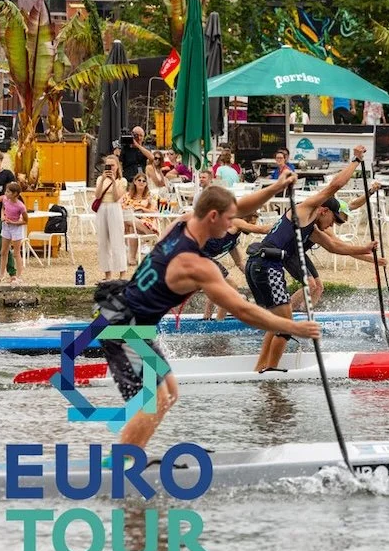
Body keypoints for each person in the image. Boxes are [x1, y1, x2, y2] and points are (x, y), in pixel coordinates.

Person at [96, 180, 321, 458]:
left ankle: (132, 453)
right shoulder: (196, 266)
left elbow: (240, 205)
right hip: (122, 326)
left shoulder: (184, 223)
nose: (232, 226)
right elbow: (243, 310)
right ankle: (122, 462)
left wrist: (277, 187)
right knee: (154, 398)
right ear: (213, 217)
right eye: (229, 220)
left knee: (169, 392)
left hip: (131, 322)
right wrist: (292, 326)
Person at [246, 146, 364, 373]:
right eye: (334, 221)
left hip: (259, 264)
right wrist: (356, 160)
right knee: (286, 325)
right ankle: (270, 372)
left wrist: (366, 250)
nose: (332, 227)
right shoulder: (307, 208)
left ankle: (260, 369)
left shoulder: (311, 228)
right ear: (323, 210)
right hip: (267, 265)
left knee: (277, 321)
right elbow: (336, 185)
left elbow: (335, 246)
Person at [284, 196, 384, 312]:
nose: (342, 222)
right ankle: (283, 314)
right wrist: (372, 260)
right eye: (339, 219)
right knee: (311, 285)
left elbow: (354, 205)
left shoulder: (331, 211)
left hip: (299, 252)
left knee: (319, 287)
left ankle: (305, 311)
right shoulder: (320, 225)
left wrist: (370, 192)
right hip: (290, 253)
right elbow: (340, 248)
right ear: (329, 211)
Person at [202, 213, 269, 321]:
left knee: (217, 287)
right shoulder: (235, 221)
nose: (253, 224)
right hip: (196, 255)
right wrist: (280, 227)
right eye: (252, 222)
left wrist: (255, 276)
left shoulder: (233, 236)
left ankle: (207, 319)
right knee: (230, 285)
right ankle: (220, 323)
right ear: (245, 218)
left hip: (203, 257)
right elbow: (261, 229)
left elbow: (240, 263)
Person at [95, 155, 128, 280]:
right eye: (108, 165)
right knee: (103, 241)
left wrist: (114, 182)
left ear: (117, 166)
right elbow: (97, 196)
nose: (110, 168)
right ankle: (107, 273)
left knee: (117, 240)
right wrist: (103, 180)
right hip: (102, 207)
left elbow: (116, 197)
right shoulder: (100, 179)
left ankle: (122, 272)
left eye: (112, 165)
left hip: (114, 207)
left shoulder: (122, 180)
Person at [122, 173, 159, 266]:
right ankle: (149, 234)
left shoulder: (150, 196)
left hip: (146, 221)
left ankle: (132, 257)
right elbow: (122, 208)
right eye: (139, 180)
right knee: (131, 223)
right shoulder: (127, 196)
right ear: (134, 182)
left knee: (131, 223)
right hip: (131, 222)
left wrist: (143, 209)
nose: (141, 182)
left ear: (146, 184)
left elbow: (155, 212)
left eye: (144, 181)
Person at [0, 150, 18, 281]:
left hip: (2, 215)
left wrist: (0, 199)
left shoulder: (7, 175)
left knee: (3, 246)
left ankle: (12, 272)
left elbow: (15, 192)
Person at [0, 182, 26, 284]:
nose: (5, 193)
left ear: (15, 194)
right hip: (6, 227)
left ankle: (18, 276)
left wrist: (13, 222)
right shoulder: (5, 199)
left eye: (8, 191)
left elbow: (25, 221)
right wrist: (2, 216)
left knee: (16, 253)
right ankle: (0, 275)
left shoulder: (20, 206)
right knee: (3, 251)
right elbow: (3, 208)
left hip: (16, 228)